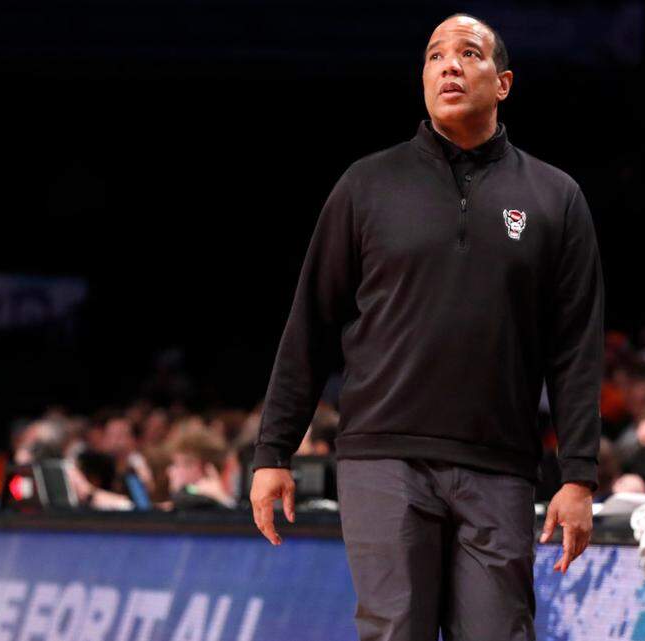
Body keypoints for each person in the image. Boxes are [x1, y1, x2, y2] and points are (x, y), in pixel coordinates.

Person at [249, 13, 604, 641]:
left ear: (503, 83)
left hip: (498, 461)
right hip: (383, 455)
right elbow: (311, 323)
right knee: (395, 631)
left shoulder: (556, 197)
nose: (449, 67)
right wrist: (273, 451)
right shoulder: (366, 184)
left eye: (468, 53)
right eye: (435, 56)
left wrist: (578, 475)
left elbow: (576, 349)